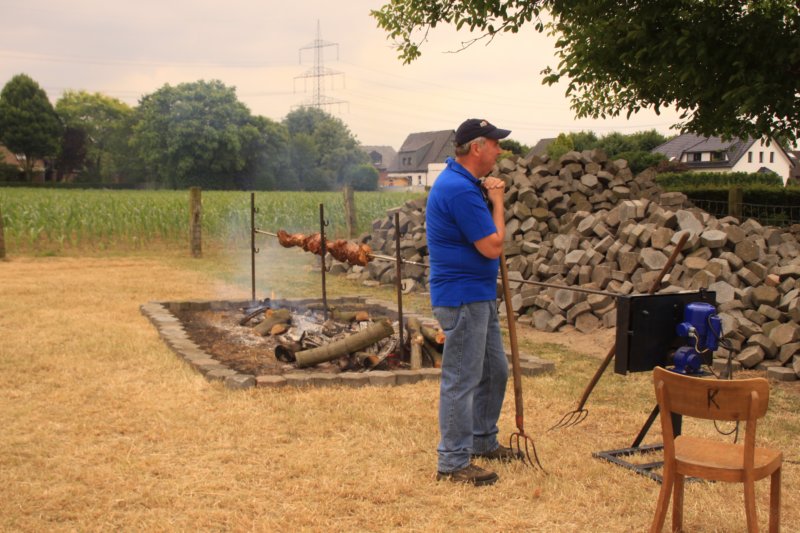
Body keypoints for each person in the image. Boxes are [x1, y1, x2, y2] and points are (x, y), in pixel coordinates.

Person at [426, 118, 522, 487]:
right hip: (463, 297)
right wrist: (497, 201)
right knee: (461, 379)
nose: (500, 149)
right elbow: (492, 246)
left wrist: (485, 189)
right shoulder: (459, 190)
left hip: (477, 295)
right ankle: (452, 462)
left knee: (495, 370)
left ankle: (482, 440)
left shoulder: (464, 183)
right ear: (478, 147)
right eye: (496, 143)